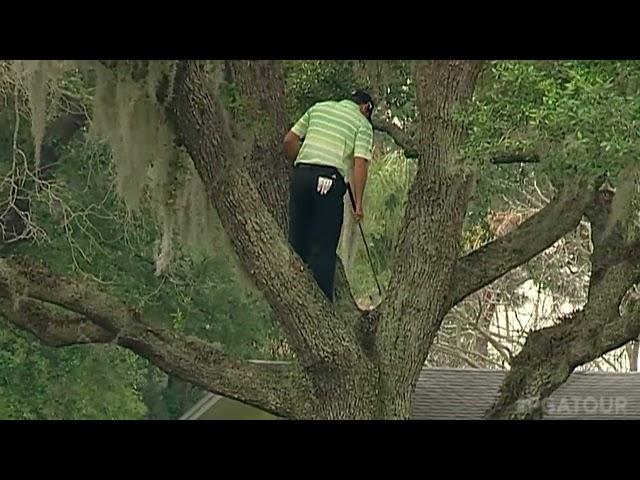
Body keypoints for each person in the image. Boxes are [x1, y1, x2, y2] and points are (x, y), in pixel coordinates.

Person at [283, 90, 374, 301]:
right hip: (329, 181)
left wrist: (303, 162)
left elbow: (289, 140)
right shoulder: (362, 124)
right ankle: (321, 302)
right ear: (365, 108)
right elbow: (360, 164)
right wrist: (358, 204)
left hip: (302, 176)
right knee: (323, 248)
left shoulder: (318, 107)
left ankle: (292, 294)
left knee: (297, 242)